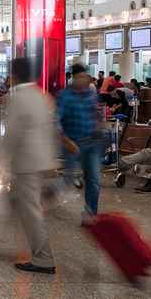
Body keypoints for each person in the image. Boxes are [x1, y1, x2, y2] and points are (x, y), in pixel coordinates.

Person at [4, 58, 56, 274]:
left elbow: (13, 132)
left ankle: (43, 258)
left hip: (27, 162)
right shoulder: (42, 95)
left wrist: (3, 155)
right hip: (43, 159)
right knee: (22, 201)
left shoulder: (18, 98)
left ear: (14, 76)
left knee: (31, 211)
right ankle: (13, 213)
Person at [55, 63, 103, 224]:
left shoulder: (91, 94)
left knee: (94, 180)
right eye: (81, 77)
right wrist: (66, 140)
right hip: (73, 144)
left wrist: (98, 126)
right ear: (74, 78)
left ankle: (90, 214)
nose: (84, 80)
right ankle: (47, 194)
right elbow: (56, 121)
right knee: (67, 181)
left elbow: (95, 113)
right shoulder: (64, 96)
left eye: (86, 77)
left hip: (92, 143)